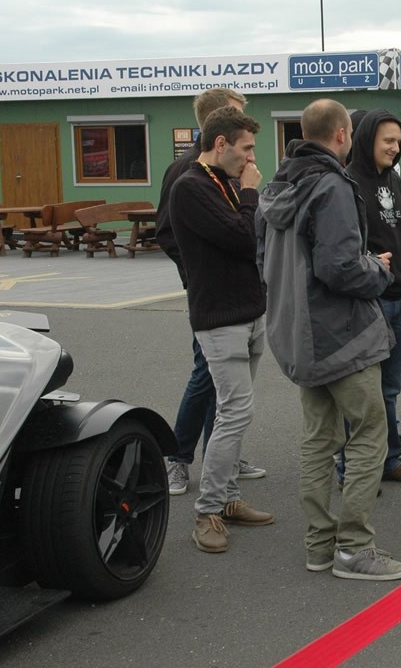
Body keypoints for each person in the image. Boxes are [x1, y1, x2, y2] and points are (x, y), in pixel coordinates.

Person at [257, 98, 401, 581]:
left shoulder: (277, 185)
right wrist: (377, 269)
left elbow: (265, 260)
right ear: (342, 134)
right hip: (341, 335)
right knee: (368, 435)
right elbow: (339, 267)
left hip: (298, 332)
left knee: (318, 440)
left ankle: (320, 545)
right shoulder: (332, 186)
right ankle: (354, 548)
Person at [169, 105, 273, 553]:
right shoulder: (191, 187)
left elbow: (254, 239)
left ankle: (228, 497)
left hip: (249, 312)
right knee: (234, 412)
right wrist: (249, 192)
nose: (251, 159)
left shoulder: (223, 182)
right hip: (220, 318)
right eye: (246, 149)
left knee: (235, 412)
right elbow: (242, 237)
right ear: (220, 143)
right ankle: (207, 511)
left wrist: (244, 193)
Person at [156, 87, 265, 496]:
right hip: (212, 300)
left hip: (239, 300)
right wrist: (196, 272)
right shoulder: (186, 174)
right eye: (236, 117)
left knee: (224, 394)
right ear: (218, 131)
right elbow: (168, 231)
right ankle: (178, 459)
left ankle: (221, 460)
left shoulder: (227, 173)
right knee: (206, 379)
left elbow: (246, 232)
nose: (251, 154)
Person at [345, 111, 401, 484]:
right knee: (364, 392)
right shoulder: (348, 182)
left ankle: (389, 460)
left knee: (390, 388)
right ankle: (358, 467)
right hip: (370, 300)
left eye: (398, 141)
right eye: (387, 141)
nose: (395, 148)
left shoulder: (393, 180)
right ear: (367, 140)